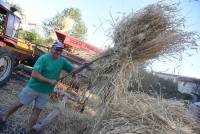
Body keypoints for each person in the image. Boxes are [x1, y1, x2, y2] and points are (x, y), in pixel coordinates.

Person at [0, 41, 85, 130]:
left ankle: (29, 130)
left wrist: (83, 66)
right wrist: (49, 81)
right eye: (57, 49)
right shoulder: (43, 58)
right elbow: (34, 74)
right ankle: (4, 116)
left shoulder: (62, 61)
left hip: (45, 91)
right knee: (20, 103)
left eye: (61, 50)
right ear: (52, 48)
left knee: (37, 111)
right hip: (33, 87)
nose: (59, 52)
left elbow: (74, 71)